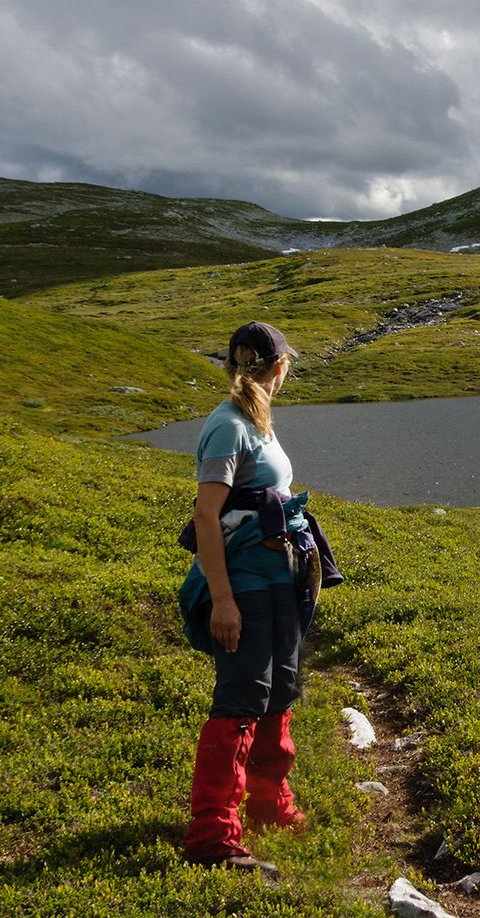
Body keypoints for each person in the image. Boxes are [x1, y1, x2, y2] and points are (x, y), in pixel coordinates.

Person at [177, 321, 340, 874]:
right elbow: (205, 515)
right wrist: (222, 601)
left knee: (279, 694)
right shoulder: (227, 426)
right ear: (279, 367)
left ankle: (269, 806)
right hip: (244, 583)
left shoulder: (257, 420)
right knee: (242, 698)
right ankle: (212, 836)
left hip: (278, 581)